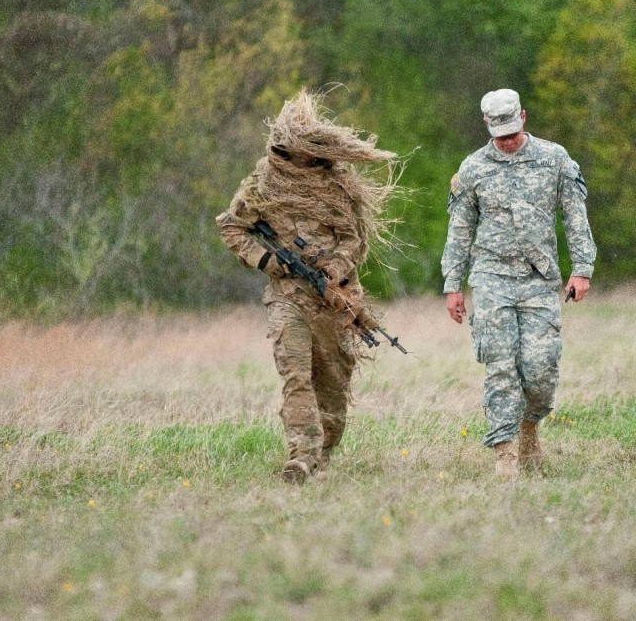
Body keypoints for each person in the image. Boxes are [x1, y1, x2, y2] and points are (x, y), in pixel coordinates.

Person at [216, 90, 397, 484]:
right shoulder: (262, 183)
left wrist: (335, 267)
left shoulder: (337, 185)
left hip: (335, 299)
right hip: (287, 298)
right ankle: (300, 456)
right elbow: (231, 225)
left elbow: (353, 239)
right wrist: (266, 260)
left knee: (332, 383)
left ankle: (323, 453)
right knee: (296, 376)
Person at [441, 88, 596, 478]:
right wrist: (453, 284)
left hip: (539, 280)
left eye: (511, 131)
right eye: (499, 134)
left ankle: (530, 428)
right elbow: (459, 231)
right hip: (491, 278)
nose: (507, 141)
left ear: (523, 117)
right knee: (500, 366)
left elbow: (575, 215)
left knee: (540, 370)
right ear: (486, 126)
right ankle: (505, 455)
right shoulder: (473, 168)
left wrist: (582, 268)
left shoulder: (554, 158)